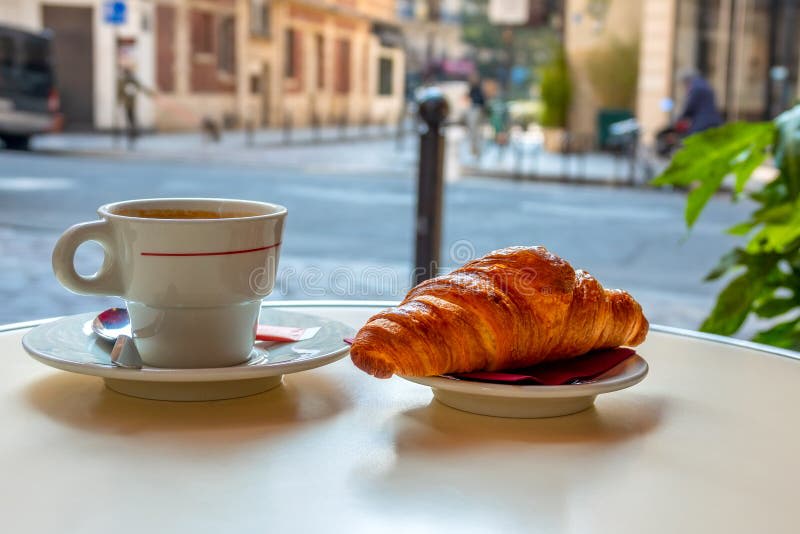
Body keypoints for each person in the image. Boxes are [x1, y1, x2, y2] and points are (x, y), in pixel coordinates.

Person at [116, 67, 154, 149]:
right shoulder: (127, 81)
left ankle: (132, 134)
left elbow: (141, 88)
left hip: (130, 104)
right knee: (131, 119)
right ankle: (132, 134)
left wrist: (151, 94)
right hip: (129, 104)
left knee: (131, 120)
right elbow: (141, 88)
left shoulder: (127, 81)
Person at [677, 68, 722, 134]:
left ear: (686, 80)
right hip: (714, 121)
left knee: (692, 140)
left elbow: (690, 106)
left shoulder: (695, 87)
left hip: (702, 123)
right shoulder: (704, 84)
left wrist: (679, 119)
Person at [466, 73, 487, 157]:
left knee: (476, 130)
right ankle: (474, 149)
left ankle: (476, 149)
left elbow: (482, 101)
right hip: (474, 109)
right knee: (473, 130)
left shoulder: (478, 89)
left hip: (477, 110)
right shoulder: (473, 89)